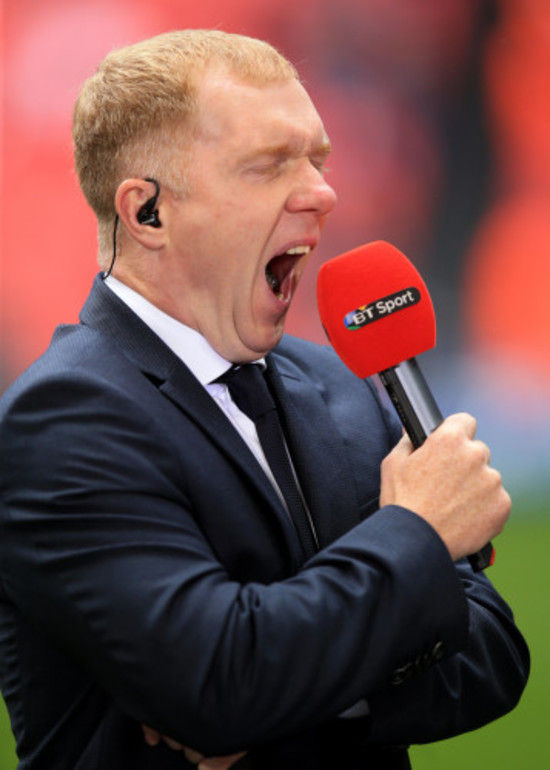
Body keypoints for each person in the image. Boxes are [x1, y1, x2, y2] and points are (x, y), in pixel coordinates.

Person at [0, 29, 529, 770]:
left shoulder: (344, 382)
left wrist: (291, 695)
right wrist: (417, 530)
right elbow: (218, 682)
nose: (324, 192)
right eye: (270, 165)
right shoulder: (63, 417)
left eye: (317, 159)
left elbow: (493, 653)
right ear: (148, 212)